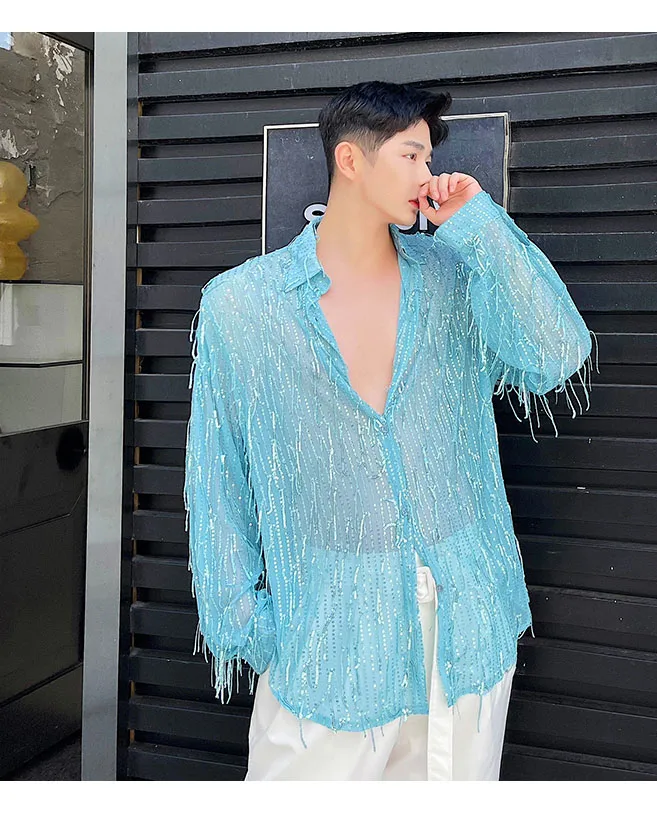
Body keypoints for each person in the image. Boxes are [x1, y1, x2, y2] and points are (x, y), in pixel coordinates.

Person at [183, 80, 597, 781]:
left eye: (427, 157)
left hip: (466, 627)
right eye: (410, 155)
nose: (426, 174)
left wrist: (479, 225)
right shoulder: (244, 304)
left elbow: (557, 353)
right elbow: (218, 471)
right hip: (329, 639)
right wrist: (251, 626)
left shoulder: (451, 278)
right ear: (350, 160)